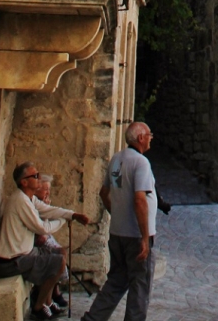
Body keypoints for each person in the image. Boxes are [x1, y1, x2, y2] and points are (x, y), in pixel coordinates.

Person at [81, 122, 157, 321]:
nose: (151, 138)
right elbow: (140, 199)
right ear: (140, 138)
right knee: (140, 285)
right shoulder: (141, 163)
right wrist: (144, 237)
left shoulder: (116, 159)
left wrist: (117, 214)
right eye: (149, 134)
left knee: (116, 280)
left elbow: (104, 193)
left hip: (117, 233)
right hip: (134, 235)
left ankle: (93, 318)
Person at [0, 161, 89, 320]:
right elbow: (41, 228)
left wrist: (72, 215)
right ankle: (39, 307)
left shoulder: (29, 199)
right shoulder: (20, 200)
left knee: (60, 252)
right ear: (24, 182)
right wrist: (62, 221)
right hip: (13, 261)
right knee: (57, 262)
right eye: (35, 176)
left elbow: (48, 210)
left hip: (24, 254)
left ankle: (48, 300)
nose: (38, 178)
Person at [33, 175, 68, 312]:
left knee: (60, 252)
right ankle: (50, 298)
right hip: (37, 240)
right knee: (56, 254)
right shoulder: (33, 204)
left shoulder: (40, 203)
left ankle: (53, 294)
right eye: (45, 189)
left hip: (42, 237)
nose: (48, 193)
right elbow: (40, 227)